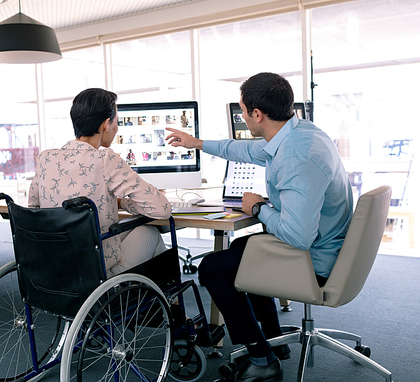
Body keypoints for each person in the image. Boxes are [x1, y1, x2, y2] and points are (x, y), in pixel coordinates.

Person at [166, 72, 353, 382]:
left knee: (212, 268)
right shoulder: (301, 131)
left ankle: (261, 357)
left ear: (257, 114)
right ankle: (273, 339)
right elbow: (248, 151)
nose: (241, 116)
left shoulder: (295, 157)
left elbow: (297, 236)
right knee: (242, 248)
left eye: (242, 110)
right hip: (330, 246)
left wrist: (258, 208)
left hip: (315, 263)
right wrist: (197, 143)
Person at [29, 88, 171, 277]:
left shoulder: (46, 158)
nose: (117, 127)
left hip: (55, 267)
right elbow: (162, 209)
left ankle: (163, 300)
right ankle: (167, 301)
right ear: (106, 124)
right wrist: (128, 204)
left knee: (129, 232)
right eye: (116, 121)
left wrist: (118, 203)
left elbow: (33, 208)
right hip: (95, 273)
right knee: (150, 232)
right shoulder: (105, 160)